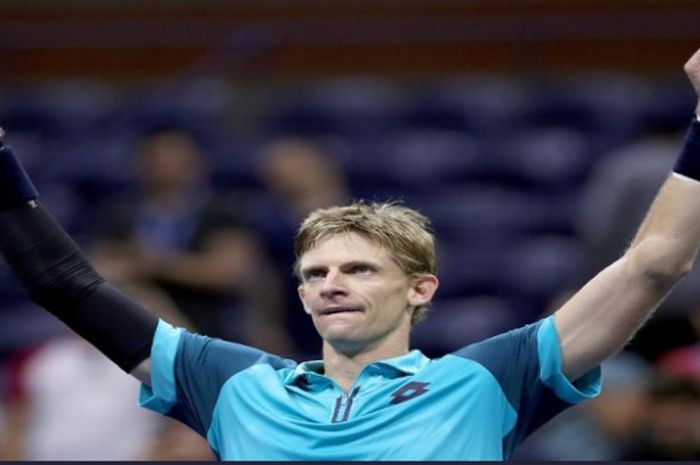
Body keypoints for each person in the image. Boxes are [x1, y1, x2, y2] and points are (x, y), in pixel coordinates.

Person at [3, 50, 700, 460]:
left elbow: (655, 261)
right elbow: (65, 283)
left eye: (359, 267)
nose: (331, 282)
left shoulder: (490, 376)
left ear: (421, 288)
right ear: (301, 295)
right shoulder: (236, 381)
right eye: (315, 273)